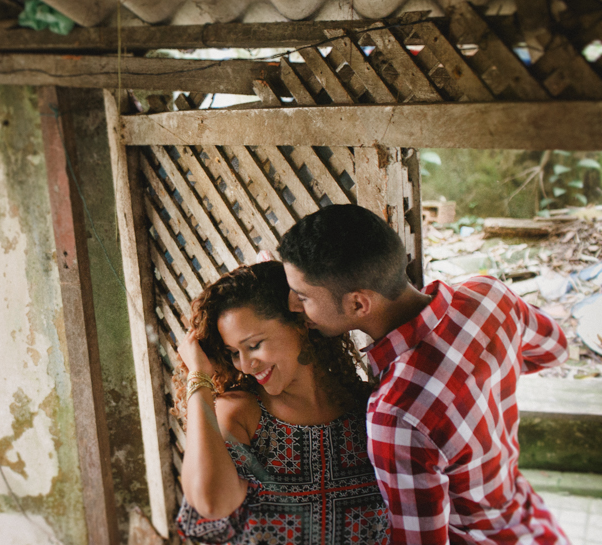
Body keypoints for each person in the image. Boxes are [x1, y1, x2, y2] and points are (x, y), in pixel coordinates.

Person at [278, 204, 569, 545]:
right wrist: (485, 379)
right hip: (532, 523)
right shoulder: (489, 296)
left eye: (302, 296)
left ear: (358, 304)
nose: (292, 306)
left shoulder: (397, 416)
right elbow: (555, 350)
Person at [175, 260, 390, 545]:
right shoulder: (241, 412)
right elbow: (212, 502)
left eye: (253, 345)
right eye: (233, 353)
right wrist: (198, 377)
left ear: (300, 325)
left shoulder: (367, 406)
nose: (246, 366)